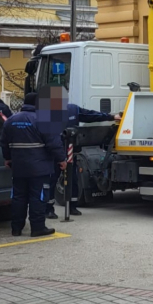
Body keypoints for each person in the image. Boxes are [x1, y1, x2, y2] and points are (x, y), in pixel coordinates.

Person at [40, 86, 120, 218]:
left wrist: (111, 116)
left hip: (71, 151)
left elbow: (90, 115)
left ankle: (72, 206)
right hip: (54, 153)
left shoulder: (73, 109)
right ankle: (48, 209)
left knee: (73, 179)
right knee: (51, 180)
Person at [0, 92, 65, 237]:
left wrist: (7, 158)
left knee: (18, 197)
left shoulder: (11, 120)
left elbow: (4, 142)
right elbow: (54, 143)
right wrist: (62, 159)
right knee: (38, 197)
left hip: (18, 167)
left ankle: (16, 228)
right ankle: (38, 227)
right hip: (39, 168)